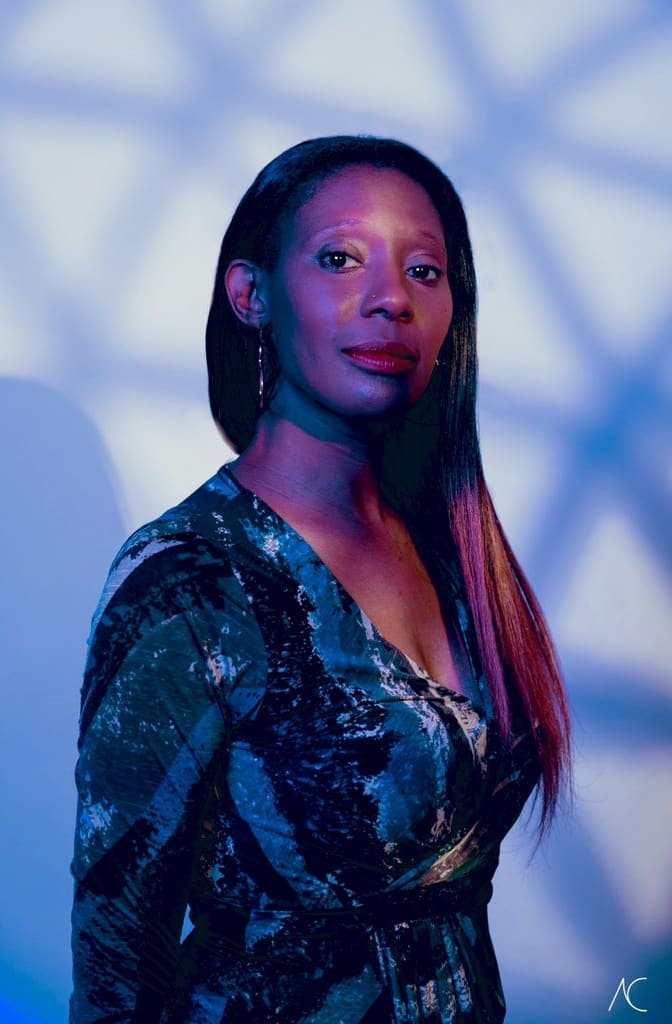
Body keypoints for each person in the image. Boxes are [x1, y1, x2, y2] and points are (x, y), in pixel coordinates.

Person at [70, 135, 572, 1023]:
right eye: (341, 258)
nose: (392, 300)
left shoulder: (452, 548)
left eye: (425, 271)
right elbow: (118, 965)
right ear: (251, 295)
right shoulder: (193, 578)